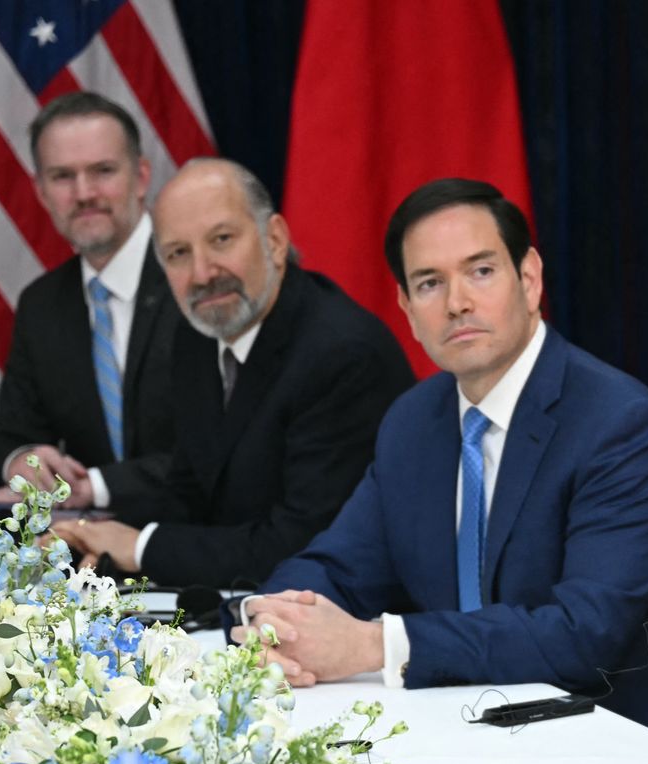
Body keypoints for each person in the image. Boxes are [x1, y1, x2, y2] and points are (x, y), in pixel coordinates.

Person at [234, 179, 648, 748]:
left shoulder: (621, 424)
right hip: (469, 733)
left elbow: (582, 635)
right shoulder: (413, 423)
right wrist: (272, 621)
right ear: (407, 309)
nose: (457, 301)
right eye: (430, 283)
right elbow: (340, 567)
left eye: (481, 271)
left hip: (628, 748)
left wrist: (377, 645)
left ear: (530, 278)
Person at [50, 159, 413, 589]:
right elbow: (190, 495)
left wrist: (142, 546)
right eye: (178, 254)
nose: (203, 274)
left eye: (221, 240)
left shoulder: (342, 356)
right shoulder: (199, 335)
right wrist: (81, 540)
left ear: (274, 240)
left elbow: (303, 545)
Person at [0, 92, 184, 517]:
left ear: (142, 177)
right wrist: (22, 459)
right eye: (62, 176)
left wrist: (98, 486)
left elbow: (219, 449)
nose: (84, 192)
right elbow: (7, 438)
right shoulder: (42, 305)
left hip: (208, 542)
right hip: (91, 559)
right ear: (41, 191)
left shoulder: (193, 278)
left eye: (103, 171)